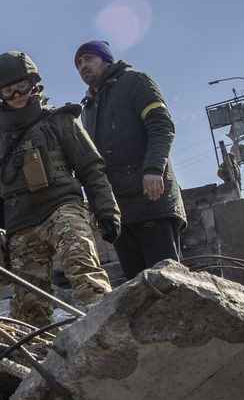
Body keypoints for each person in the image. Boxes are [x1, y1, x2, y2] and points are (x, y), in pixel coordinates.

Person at [0, 52, 119, 327]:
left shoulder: (58, 120)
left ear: (33, 82)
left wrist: (107, 211)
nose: (17, 95)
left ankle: (110, 332)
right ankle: (39, 350)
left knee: (84, 270)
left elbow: (90, 168)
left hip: (62, 208)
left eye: (21, 86)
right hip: (20, 224)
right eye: (8, 91)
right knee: (29, 306)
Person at [75, 40, 186, 279]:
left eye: (89, 58)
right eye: (79, 63)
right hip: (120, 212)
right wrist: (97, 205)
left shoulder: (134, 81)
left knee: (167, 282)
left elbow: (161, 125)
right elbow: (93, 163)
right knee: (137, 289)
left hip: (152, 201)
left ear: (106, 60)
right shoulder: (88, 108)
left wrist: (153, 168)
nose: (83, 65)